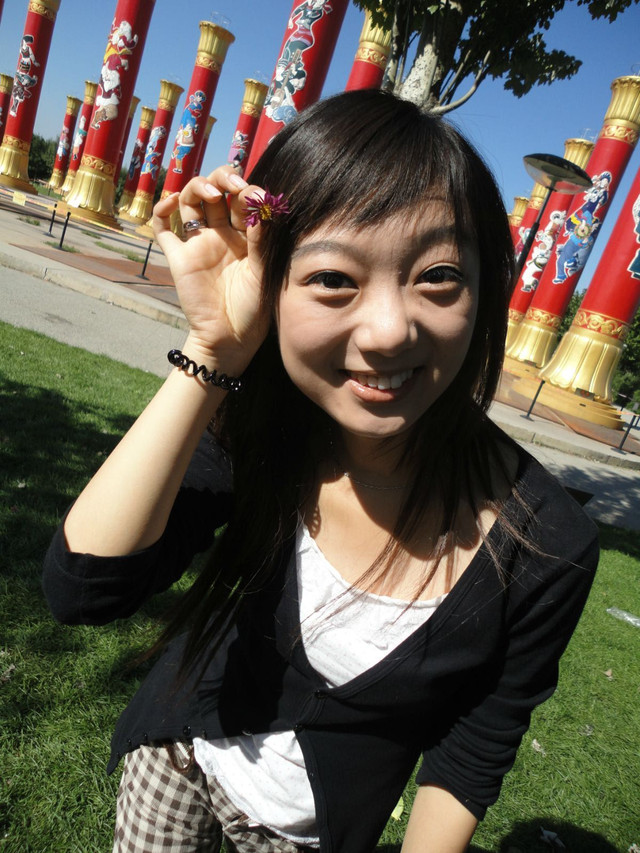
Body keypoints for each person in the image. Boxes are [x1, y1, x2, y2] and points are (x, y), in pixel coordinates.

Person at [43, 89, 599, 853]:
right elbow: (83, 587)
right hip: (176, 759)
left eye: (438, 275)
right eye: (334, 277)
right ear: (272, 282)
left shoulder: (548, 542)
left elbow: (475, 744)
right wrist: (213, 349)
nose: (389, 330)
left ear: (484, 289)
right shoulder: (266, 429)